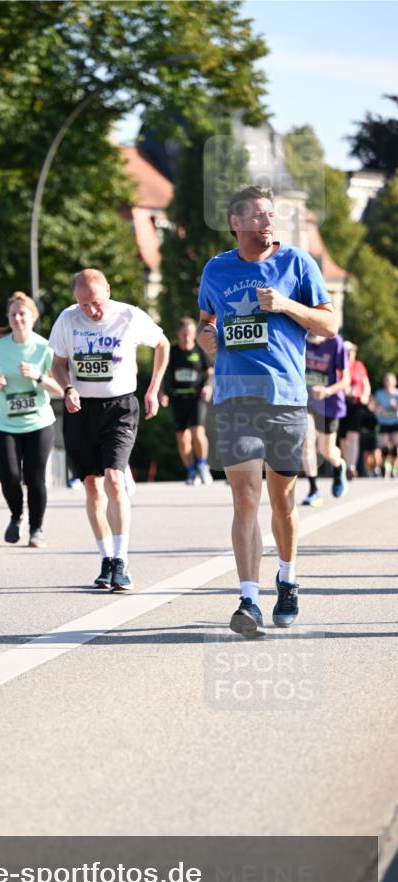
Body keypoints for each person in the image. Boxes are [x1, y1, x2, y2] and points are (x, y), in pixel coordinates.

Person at [197, 186, 337, 637]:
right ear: (235, 222)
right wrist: (205, 338)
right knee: (244, 498)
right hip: (235, 397)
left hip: (285, 398)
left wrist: (286, 304)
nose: (266, 222)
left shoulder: (297, 263)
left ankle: (288, 579)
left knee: (282, 501)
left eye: (270, 215)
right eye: (257, 216)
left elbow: (330, 325)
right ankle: (248, 599)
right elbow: (206, 321)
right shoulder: (216, 269)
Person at [50, 268, 169, 591]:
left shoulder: (129, 316)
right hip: (80, 409)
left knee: (115, 479)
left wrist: (152, 389)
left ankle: (121, 559)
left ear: (108, 291)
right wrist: (68, 388)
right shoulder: (68, 319)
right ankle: (105, 559)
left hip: (119, 407)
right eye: (84, 304)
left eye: (97, 302)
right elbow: (58, 365)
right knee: (92, 485)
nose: (91, 310)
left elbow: (162, 344)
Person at [0, 291, 63, 547]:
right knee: (8, 474)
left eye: (22, 313)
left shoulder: (45, 347)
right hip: (5, 422)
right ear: (8, 318)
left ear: (33, 317)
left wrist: (39, 377)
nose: (18, 318)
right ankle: (16, 515)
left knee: (34, 476)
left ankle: (36, 528)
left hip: (38, 422)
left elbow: (61, 390)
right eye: (13, 314)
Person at [159, 315, 214, 485]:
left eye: (190, 333)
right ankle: (191, 471)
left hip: (196, 397)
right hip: (177, 398)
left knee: (198, 431)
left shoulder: (200, 351)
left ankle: (203, 465)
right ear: (178, 333)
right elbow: (160, 372)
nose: (187, 336)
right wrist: (161, 393)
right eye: (184, 333)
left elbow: (210, 372)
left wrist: (208, 386)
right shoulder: (171, 352)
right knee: (183, 438)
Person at [300, 332, 350, 506]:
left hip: (329, 402)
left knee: (326, 449)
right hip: (304, 399)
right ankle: (313, 490)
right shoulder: (299, 335)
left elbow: (346, 380)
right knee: (306, 443)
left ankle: (339, 466)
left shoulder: (335, 341)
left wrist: (327, 391)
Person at [338, 341, 371, 479]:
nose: (349, 354)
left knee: (354, 436)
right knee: (344, 438)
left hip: (356, 405)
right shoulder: (339, 366)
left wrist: (365, 395)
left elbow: (366, 384)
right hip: (341, 403)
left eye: (351, 351)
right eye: (347, 351)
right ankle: (345, 464)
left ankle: (352, 466)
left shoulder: (359, 365)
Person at [372, 371, 398, 477]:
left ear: (394, 382)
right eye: (386, 380)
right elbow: (373, 406)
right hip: (383, 422)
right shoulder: (379, 394)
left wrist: (395, 406)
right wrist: (377, 408)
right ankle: (385, 466)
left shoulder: (397, 393)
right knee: (384, 447)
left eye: (390, 381)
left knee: (396, 447)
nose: (388, 383)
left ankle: (394, 468)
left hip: (396, 422)